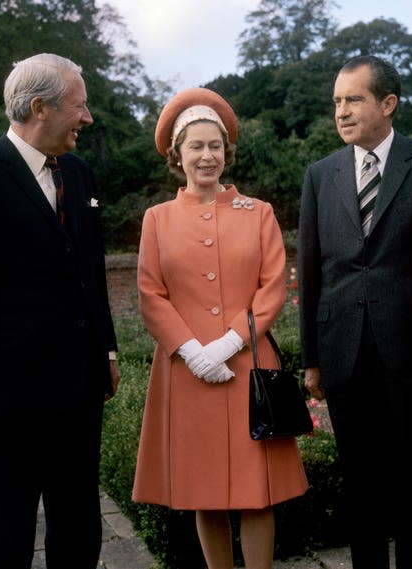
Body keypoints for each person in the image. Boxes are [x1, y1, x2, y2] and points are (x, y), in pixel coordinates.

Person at [132, 87, 309, 569]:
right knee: (203, 491)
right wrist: (192, 351)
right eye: (196, 146)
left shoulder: (260, 213)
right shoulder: (157, 219)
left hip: (248, 365)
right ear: (178, 154)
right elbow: (151, 294)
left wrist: (229, 342)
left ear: (227, 152)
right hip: (187, 373)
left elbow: (271, 287)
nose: (206, 156)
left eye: (215, 146)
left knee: (258, 492)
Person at [298, 54, 412, 569]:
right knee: (360, 485)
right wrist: (312, 358)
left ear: (388, 104)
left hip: (411, 351)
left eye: (353, 99)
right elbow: (312, 271)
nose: (341, 112)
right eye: (337, 102)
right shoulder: (320, 175)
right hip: (343, 349)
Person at [0, 53, 120, 569]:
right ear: (40, 107)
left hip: (79, 390)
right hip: (5, 398)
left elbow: (92, 270)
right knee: (9, 533)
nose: (88, 118)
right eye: (79, 107)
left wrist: (106, 349)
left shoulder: (80, 174)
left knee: (80, 529)